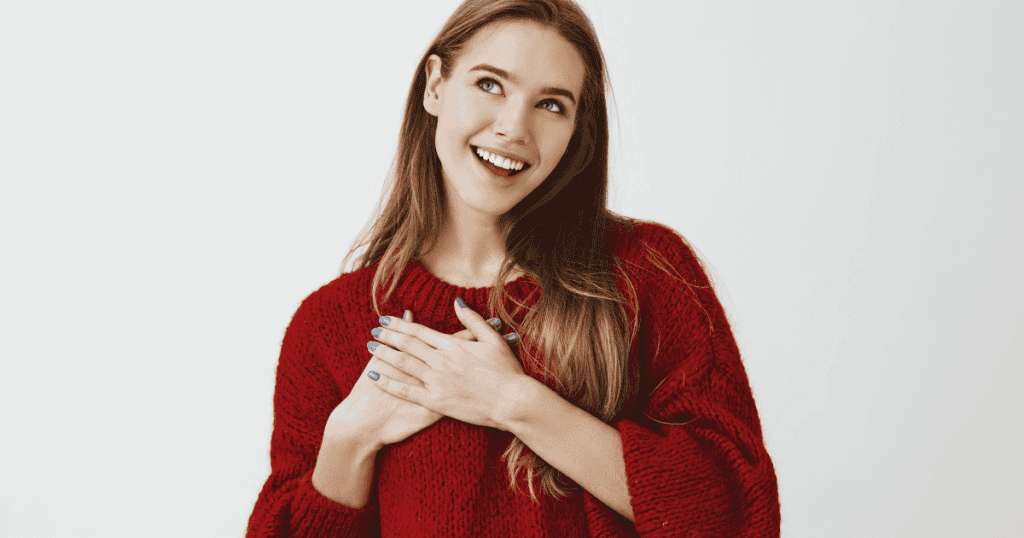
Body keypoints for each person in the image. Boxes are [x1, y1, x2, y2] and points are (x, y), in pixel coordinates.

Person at [247, 0, 780, 536]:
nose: (514, 127)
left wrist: (514, 402)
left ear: (576, 130)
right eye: (490, 84)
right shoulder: (329, 324)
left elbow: (739, 514)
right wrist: (349, 439)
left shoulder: (646, 274)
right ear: (435, 85)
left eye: (551, 105)